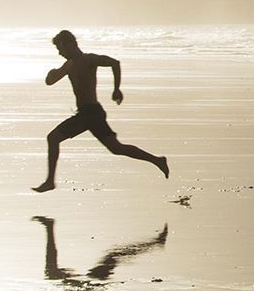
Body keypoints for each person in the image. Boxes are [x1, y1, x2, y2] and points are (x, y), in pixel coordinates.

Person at [32, 29, 169, 192]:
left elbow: (114, 63)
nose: (60, 53)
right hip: (89, 114)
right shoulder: (69, 65)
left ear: (70, 44)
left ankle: (49, 181)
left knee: (53, 138)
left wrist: (116, 89)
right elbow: (50, 81)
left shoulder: (88, 59)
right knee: (116, 148)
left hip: (90, 113)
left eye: (61, 48)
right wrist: (61, 69)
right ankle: (157, 160)